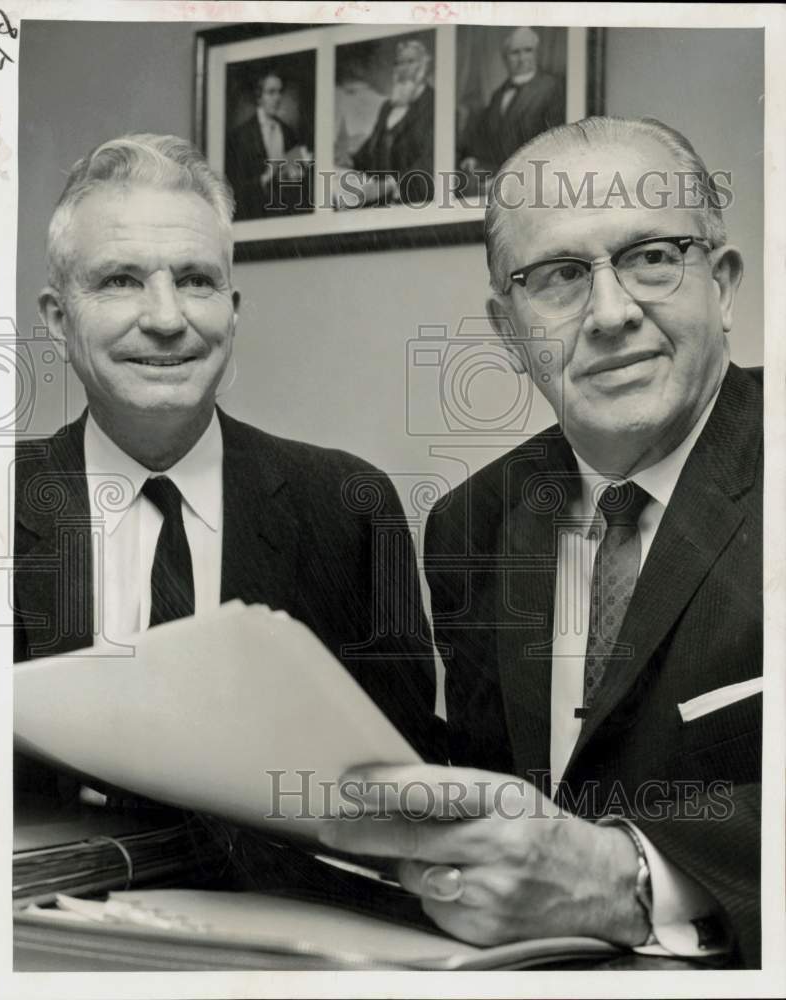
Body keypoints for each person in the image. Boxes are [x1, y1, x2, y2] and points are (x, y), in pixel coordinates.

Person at [319, 117, 762, 969]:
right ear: (508, 327)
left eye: (652, 257)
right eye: (559, 277)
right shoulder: (467, 524)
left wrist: (630, 878)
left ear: (725, 285)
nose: (608, 313)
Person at [13, 133, 442, 807]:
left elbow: (407, 780)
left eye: (195, 280)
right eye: (121, 280)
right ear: (58, 319)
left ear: (232, 313)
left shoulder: (347, 508)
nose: (165, 318)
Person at [460, 27, 565, 181]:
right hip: (496, 178)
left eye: (528, 50)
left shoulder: (552, 88)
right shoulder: (498, 95)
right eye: (515, 53)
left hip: (534, 178)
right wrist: (475, 158)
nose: (522, 58)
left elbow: (553, 145)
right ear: (505, 58)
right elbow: (488, 139)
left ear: (537, 53)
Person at [347, 38, 434, 206]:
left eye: (410, 61)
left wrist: (391, 185)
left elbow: (430, 158)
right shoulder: (387, 107)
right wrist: (351, 160)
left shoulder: (435, 103)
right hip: (378, 201)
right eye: (398, 63)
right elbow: (373, 146)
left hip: (415, 201)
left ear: (424, 67)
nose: (403, 69)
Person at [224, 73, 312, 219]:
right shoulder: (241, 135)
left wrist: (301, 168)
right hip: (254, 213)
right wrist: (263, 180)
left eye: (279, 92)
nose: (277, 98)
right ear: (259, 96)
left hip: (285, 212)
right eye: (271, 92)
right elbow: (234, 186)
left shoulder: (288, 131)